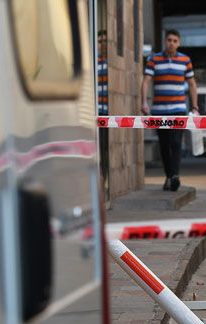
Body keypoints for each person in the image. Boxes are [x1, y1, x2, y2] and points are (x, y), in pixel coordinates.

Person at [142, 29, 199, 192]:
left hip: (178, 109)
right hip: (159, 110)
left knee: (175, 143)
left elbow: (192, 84)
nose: (171, 43)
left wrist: (195, 107)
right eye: (169, 40)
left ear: (179, 43)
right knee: (164, 145)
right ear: (165, 42)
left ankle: (174, 176)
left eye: (175, 40)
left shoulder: (185, 60)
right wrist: (143, 102)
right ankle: (169, 176)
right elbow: (146, 81)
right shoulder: (154, 59)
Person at [97, 30, 109, 202]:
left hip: (110, 114)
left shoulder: (110, 63)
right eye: (99, 41)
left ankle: (104, 183)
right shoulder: (94, 61)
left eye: (105, 40)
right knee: (98, 151)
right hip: (97, 113)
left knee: (106, 151)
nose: (102, 44)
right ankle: (100, 185)